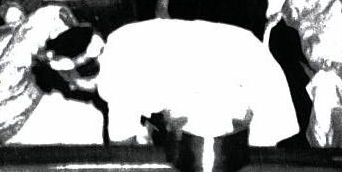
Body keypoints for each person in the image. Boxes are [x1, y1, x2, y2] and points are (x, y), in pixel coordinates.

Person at [47, 17, 300, 147]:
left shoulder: (113, 81)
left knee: (248, 167)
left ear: (78, 74)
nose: (70, 88)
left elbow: (123, 149)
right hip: (242, 51)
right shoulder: (117, 38)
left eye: (68, 81)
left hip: (243, 75)